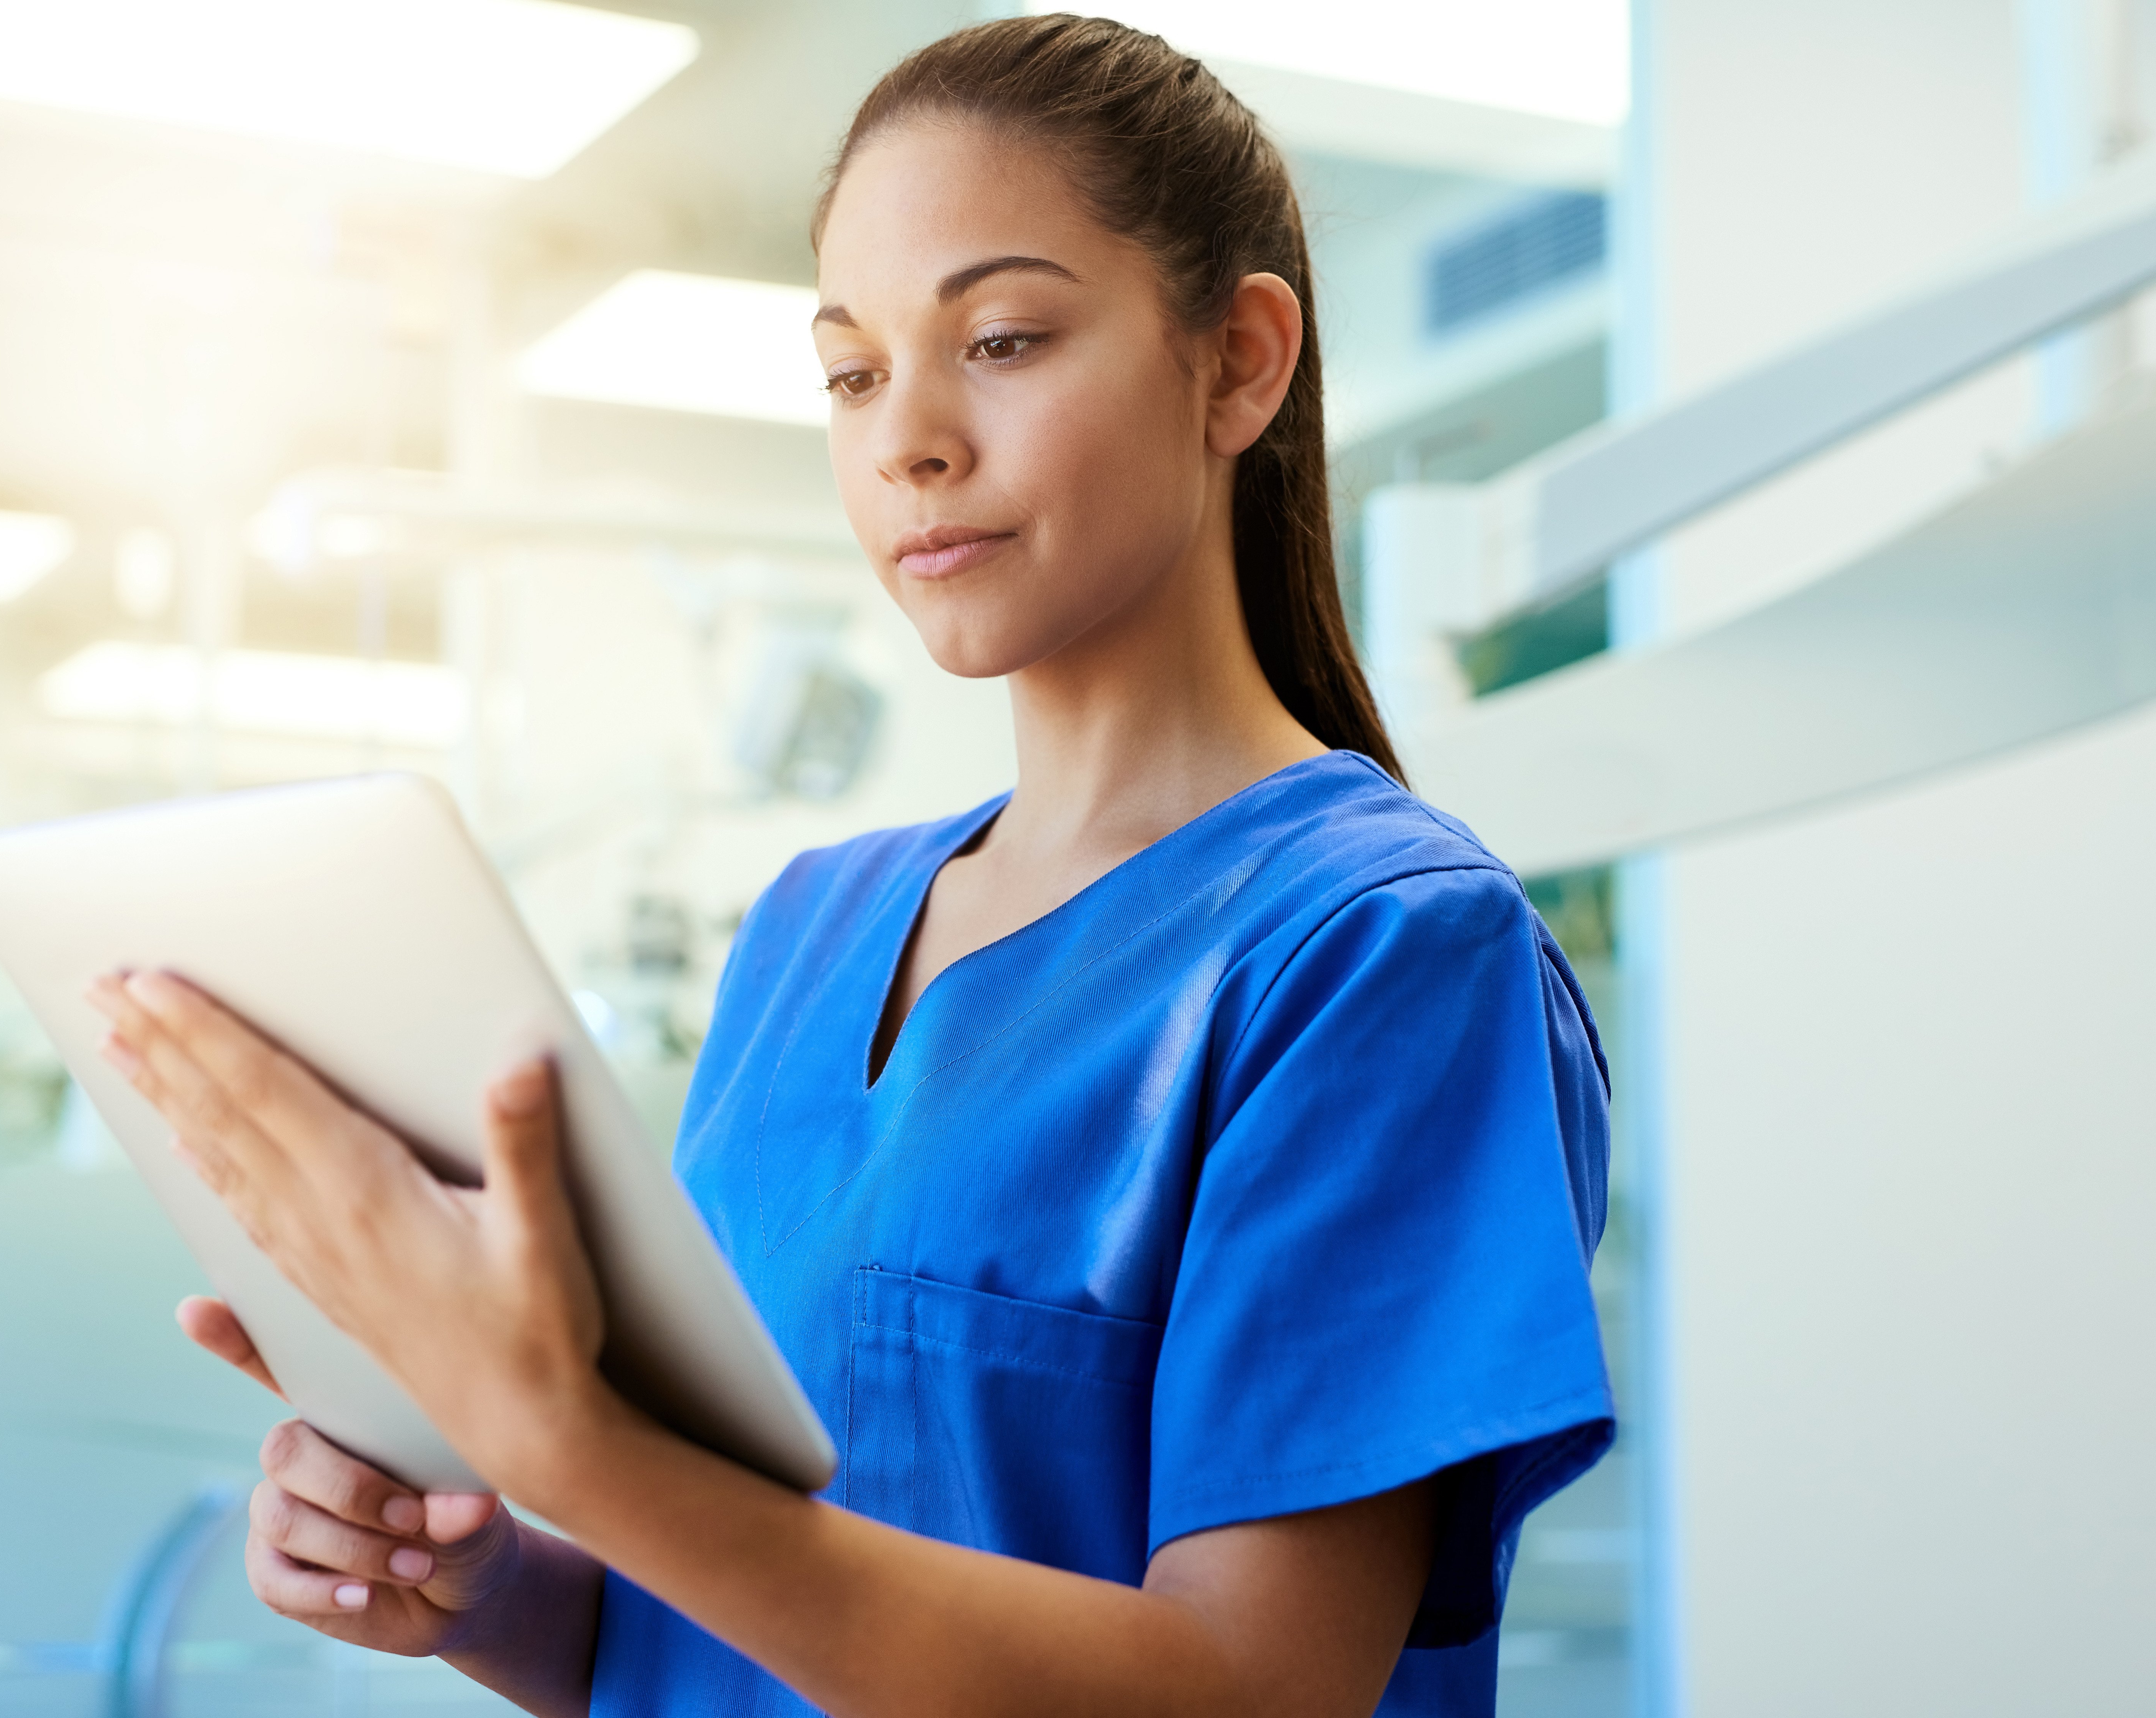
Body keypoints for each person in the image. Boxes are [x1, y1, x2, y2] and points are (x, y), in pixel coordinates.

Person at [86, 15, 1614, 1716]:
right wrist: (492, 1588)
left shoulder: (1378, 952)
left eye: (1006, 338)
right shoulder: (810, 936)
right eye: (851, 371)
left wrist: (573, 1453)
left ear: (1240, 363)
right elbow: (729, 1621)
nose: (908, 440)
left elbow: (1244, 1689)